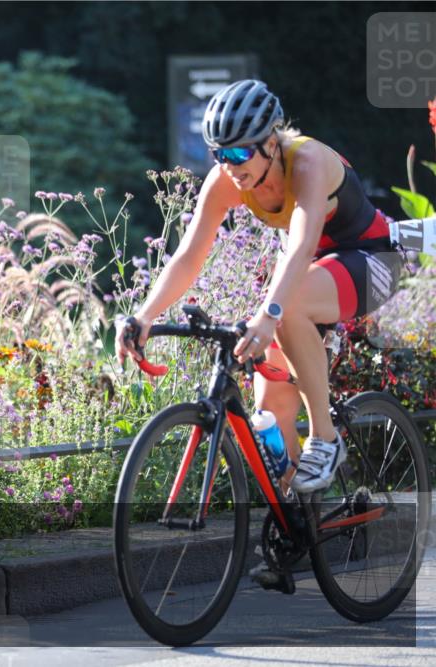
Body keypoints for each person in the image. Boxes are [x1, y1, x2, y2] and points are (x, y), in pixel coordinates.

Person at [115, 80, 402, 583]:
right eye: (220, 153)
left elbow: (301, 242)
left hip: (368, 260)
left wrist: (268, 314)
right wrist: (143, 315)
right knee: (271, 416)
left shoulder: (308, 162)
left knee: (284, 309)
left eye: (243, 150)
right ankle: (299, 533)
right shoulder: (227, 180)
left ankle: (327, 438)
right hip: (311, 274)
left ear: (273, 140)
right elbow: (189, 256)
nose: (231, 163)